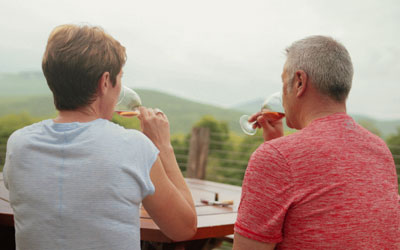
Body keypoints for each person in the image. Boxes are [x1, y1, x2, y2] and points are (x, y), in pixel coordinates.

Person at [3, 24, 197, 250]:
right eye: (120, 79)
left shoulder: (19, 144)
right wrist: (163, 145)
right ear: (105, 82)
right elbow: (184, 228)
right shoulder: (133, 147)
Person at [233, 36, 400, 249]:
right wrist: (279, 145)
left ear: (300, 82)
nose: (283, 95)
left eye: (285, 82)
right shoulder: (380, 151)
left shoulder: (276, 158)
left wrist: (276, 152)